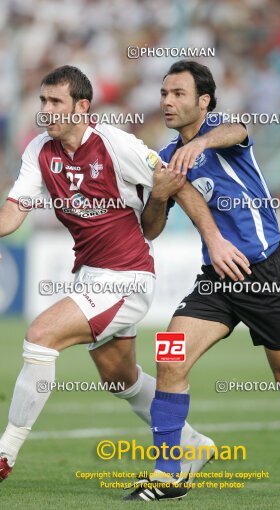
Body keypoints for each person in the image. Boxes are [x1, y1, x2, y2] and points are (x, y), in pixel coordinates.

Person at [0, 65, 251, 482]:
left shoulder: (116, 145)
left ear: (82, 107)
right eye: (43, 101)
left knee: (41, 337)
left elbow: (175, 183)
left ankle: (5, 452)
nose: (46, 110)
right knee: (121, 379)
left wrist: (215, 239)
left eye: (55, 102)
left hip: (127, 276)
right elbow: (13, 214)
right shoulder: (38, 150)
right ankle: (191, 444)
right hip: (88, 275)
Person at [125, 60, 280, 501]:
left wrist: (199, 142)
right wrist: (160, 195)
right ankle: (168, 476)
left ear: (203, 101)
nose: (167, 101)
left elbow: (239, 129)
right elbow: (150, 229)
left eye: (178, 93)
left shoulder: (222, 132)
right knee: (170, 354)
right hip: (216, 279)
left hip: (266, 275)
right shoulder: (164, 159)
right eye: (164, 93)